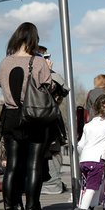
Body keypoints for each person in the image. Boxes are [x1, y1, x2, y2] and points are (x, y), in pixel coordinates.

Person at [0, 22, 53, 210]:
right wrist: (48, 70)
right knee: (33, 167)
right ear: (33, 39)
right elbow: (48, 88)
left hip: (10, 118)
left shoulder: (4, 62)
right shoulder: (38, 63)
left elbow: (2, 85)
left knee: (12, 167)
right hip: (34, 118)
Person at [37, 46, 69, 196]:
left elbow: (63, 90)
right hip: (44, 119)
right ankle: (52, 184)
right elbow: (61, 89)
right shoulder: (42, 73)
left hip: (46, 120)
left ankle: (51, 183)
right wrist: (48, 72)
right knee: (51, 151)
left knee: (51, 151)